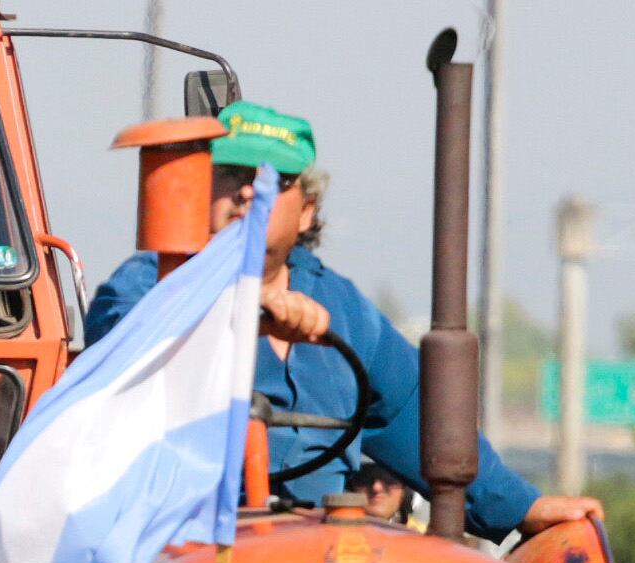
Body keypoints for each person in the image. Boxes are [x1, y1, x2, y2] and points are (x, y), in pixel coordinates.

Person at [84, 101, 602, 539]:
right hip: (178, 543)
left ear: (306, 211)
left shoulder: (343, 308)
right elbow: (124, 344)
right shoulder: (150, 281)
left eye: (273, 181)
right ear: (201, 188)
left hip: (320, 550)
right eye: (233, 175)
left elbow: (422, 422)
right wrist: (244, 313)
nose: (248, 192)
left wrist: (521, 508)